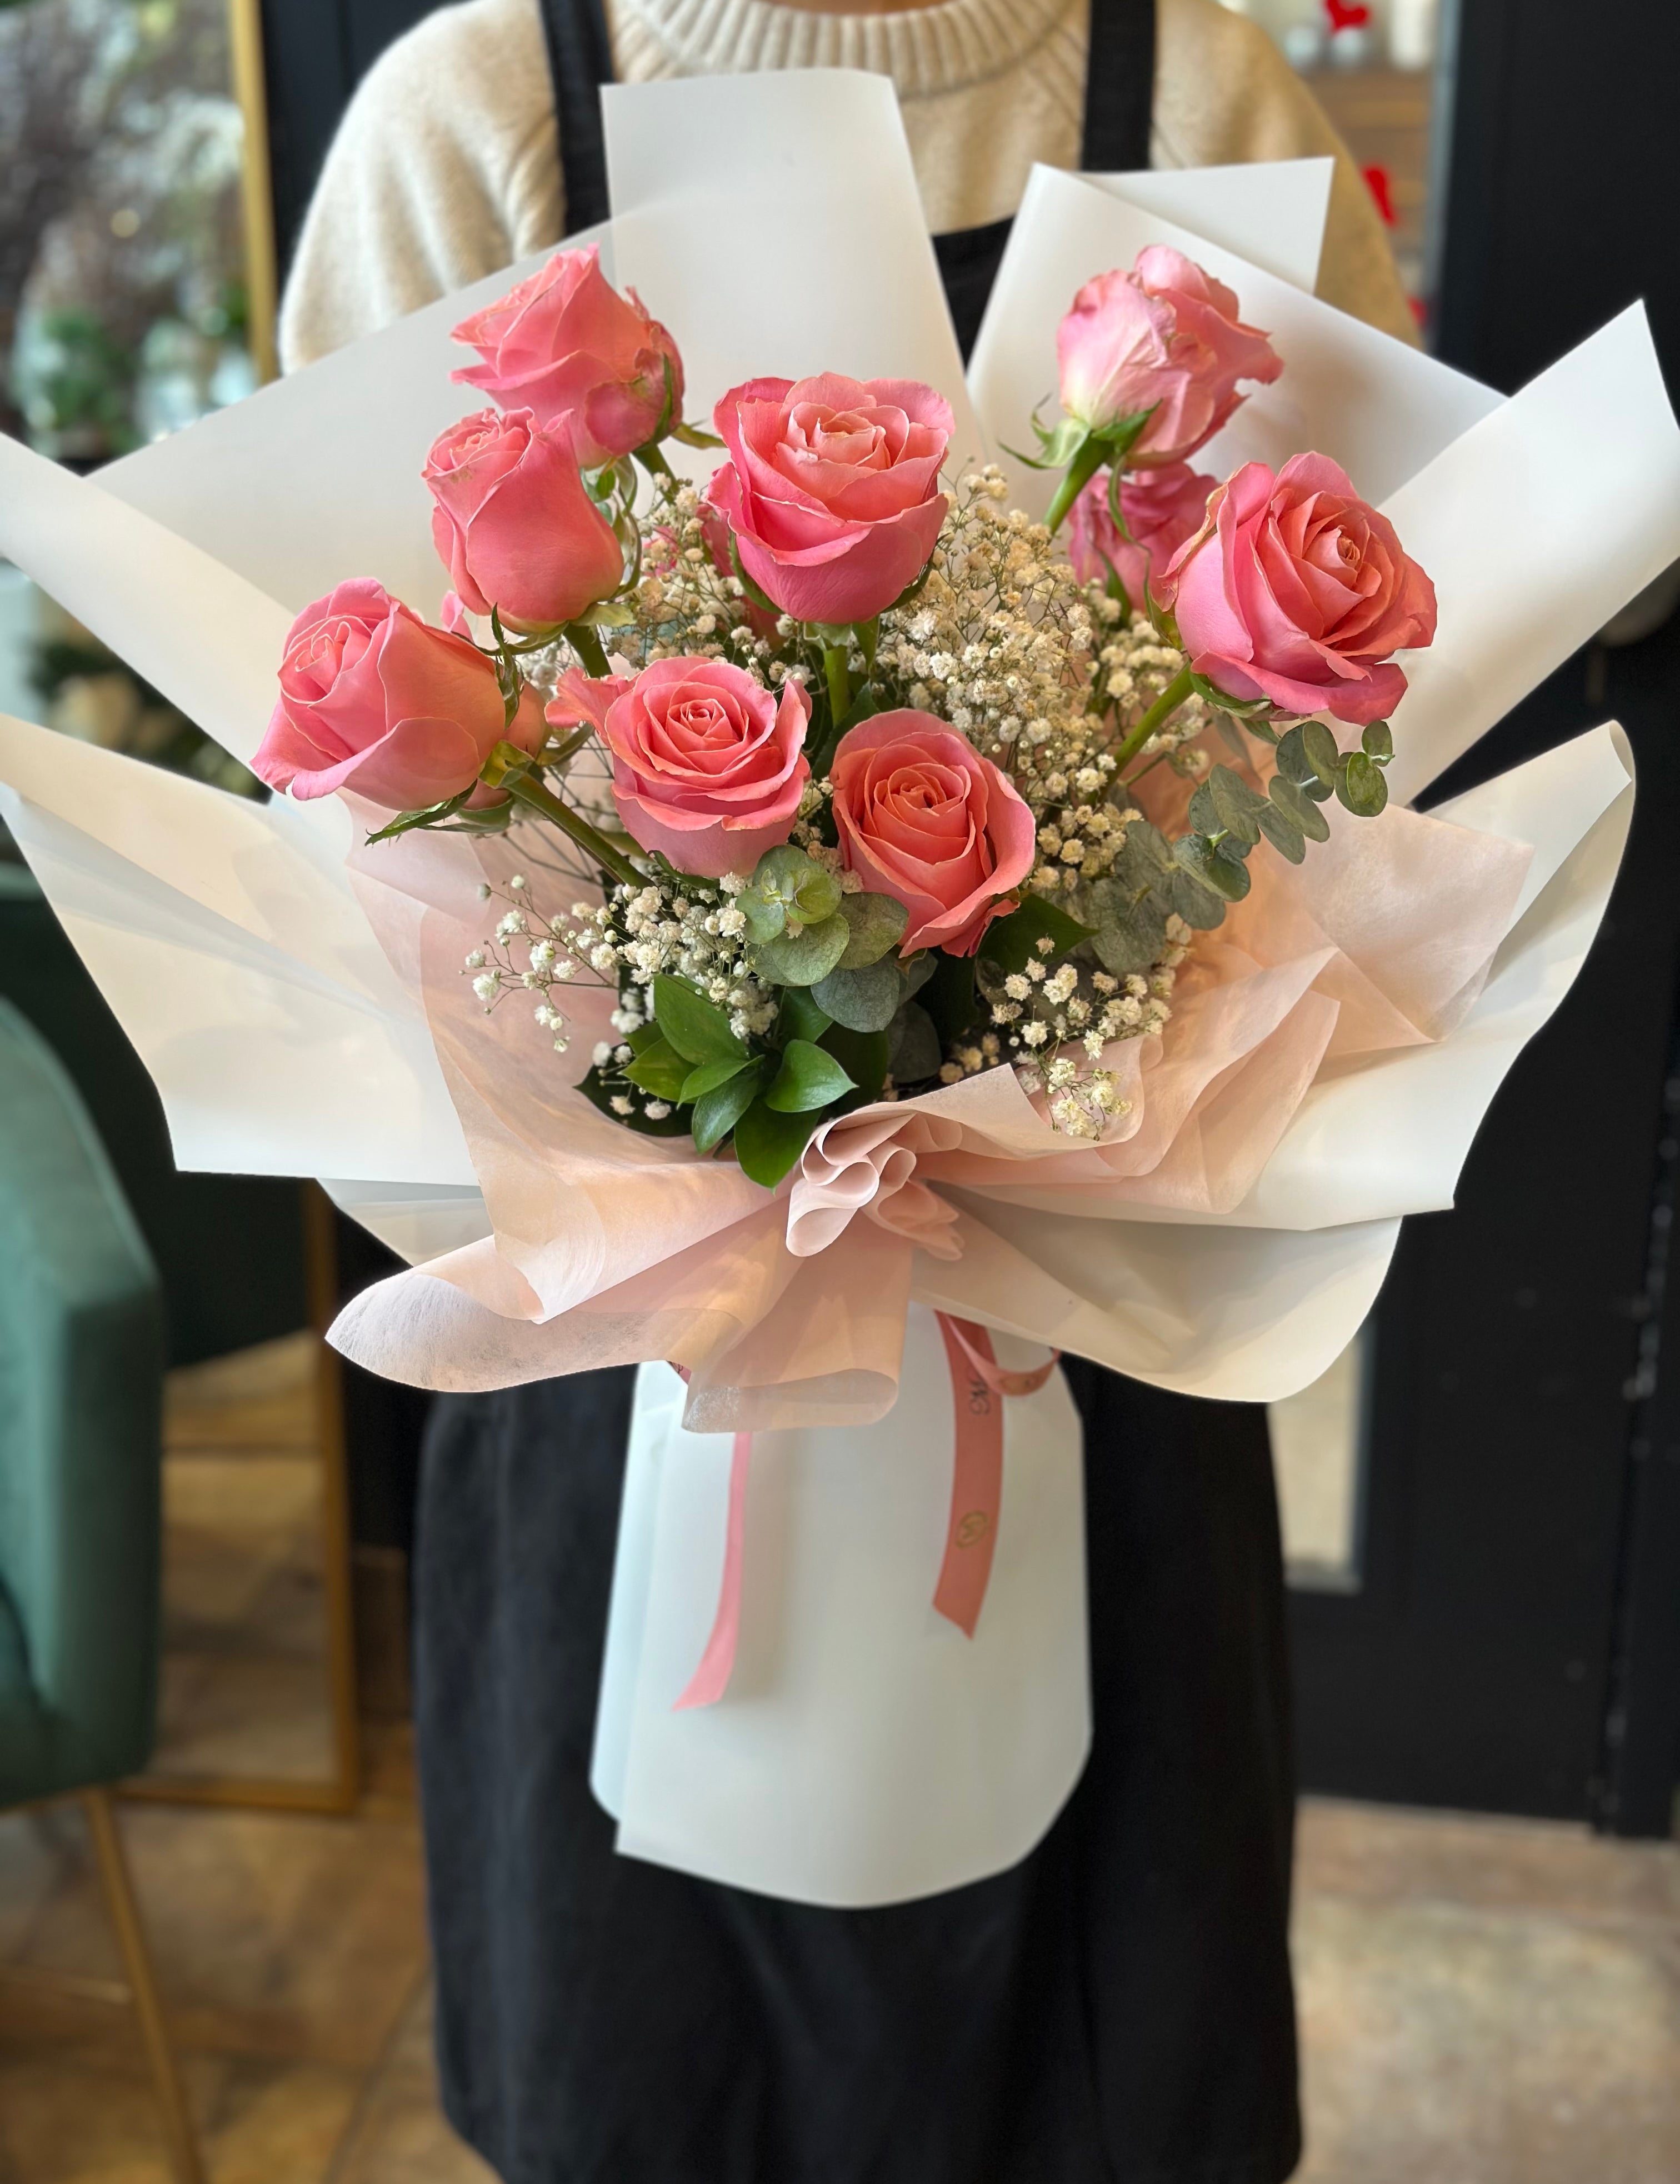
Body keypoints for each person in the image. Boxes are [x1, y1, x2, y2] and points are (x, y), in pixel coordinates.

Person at [280, 6, 1414, 2180]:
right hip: (632, 1379)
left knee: (1105, 2081)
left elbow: (1373, 759)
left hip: (1090, 1339)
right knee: (642, 2084)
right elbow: (320, 772)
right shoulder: (482, 110)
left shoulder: (1212, 103)